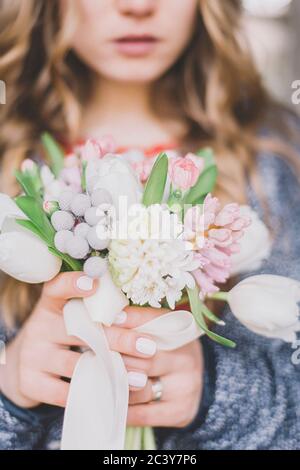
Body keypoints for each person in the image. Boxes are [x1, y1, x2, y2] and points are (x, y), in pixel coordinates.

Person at [0, 0, 299, 450]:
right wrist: (11, 391)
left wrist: (215, 395)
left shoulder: (276, 158)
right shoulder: (9, 156)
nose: (137, 6)